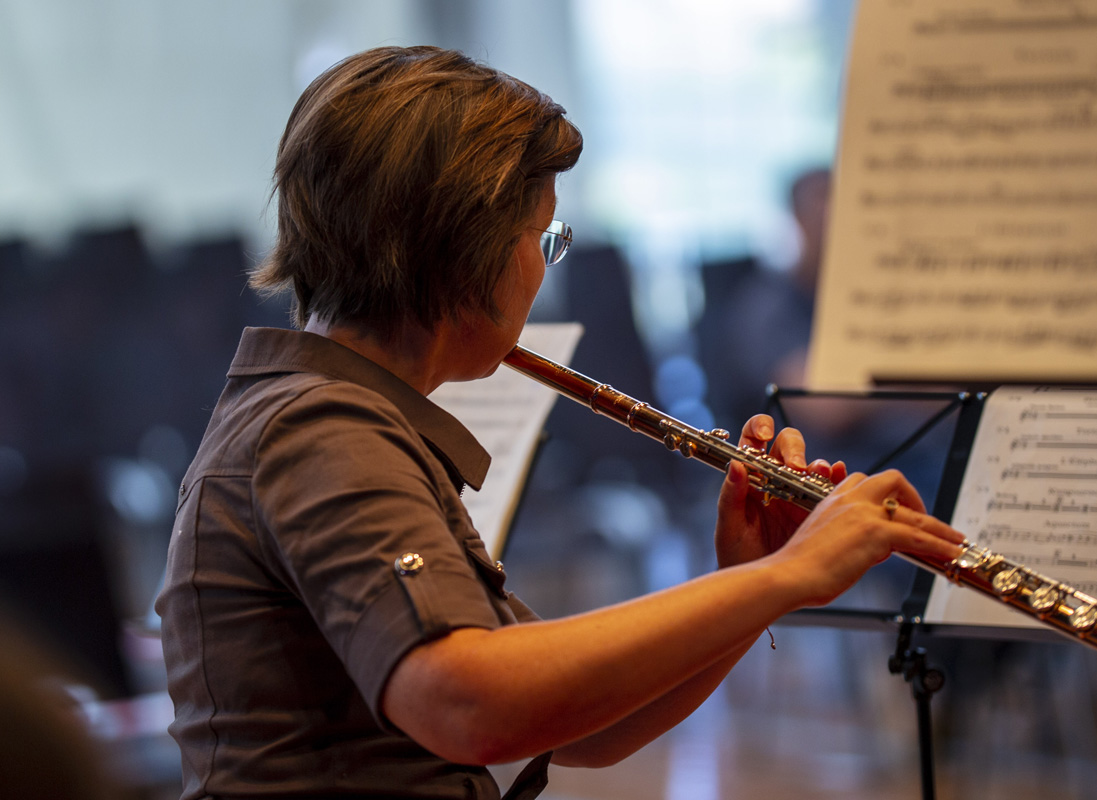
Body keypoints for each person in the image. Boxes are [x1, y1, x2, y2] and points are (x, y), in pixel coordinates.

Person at [154, 46, 964, 800]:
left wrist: (748, 582)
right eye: (543, 236)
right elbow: (467, 705)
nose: (544, 267)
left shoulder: (337, 418)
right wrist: (788, 576)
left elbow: (583, 730)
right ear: (464, 247)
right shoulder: (324, 431)